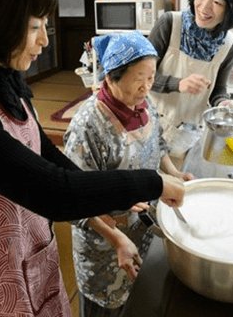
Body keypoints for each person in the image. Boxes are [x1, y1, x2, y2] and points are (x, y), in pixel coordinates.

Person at [0, 0, 185, 317]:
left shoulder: (7, 80)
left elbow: (50, 158)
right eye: (34, 26)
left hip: (30, 249)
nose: (44, 40)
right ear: (0, 20)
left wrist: (116, 191)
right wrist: (152, 183)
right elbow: (55, 191)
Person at [62, 31, 195, 317]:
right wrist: (115, 238)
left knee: (134, 303)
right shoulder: (88, 126)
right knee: (104, 307)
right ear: (111, 77)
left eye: (151, 77)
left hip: (141, 230)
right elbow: (74, 201)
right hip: (103, 247)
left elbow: (158, 146)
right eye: (139, 79)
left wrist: (175, 174)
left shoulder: (144, 106)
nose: (147, 87)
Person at [148, 0, 233, 157]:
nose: (204, 7)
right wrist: (178, 84)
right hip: (149, 127)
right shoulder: (170, 24)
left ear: (232, 10)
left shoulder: (229, 45)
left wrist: (222, 103)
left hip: (187, 134)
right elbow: (141, 79)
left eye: (217, 2)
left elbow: (218, 90)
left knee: (181, 179)